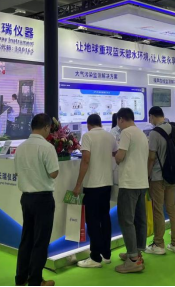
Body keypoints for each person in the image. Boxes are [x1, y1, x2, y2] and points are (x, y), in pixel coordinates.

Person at [14, 114, 59, 287]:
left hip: (26, 198)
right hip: (43, 199)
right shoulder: (47, 147)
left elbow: (17, 171)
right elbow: (53, 173)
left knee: (26, 239)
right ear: (46, 127)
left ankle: (21, 278)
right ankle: (35, 281)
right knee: (41, 241)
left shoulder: (21, 147)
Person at [73, 114, 117, 268]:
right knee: (105, 218)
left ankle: (95, 257)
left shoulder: (88, 136)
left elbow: (85, 159)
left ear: (88, 125)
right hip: (107, 184)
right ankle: (106, 254)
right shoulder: (110, 136)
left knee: (92, 221)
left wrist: (78, 184)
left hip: (92, 185)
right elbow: (115, 154)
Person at [145, 107, 175, 256]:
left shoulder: (154, 133)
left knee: (158, 210)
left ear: (152, 116)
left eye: (150, 117)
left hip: (157, 176)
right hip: (172, 174)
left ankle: (159, 244)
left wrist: (147, 175)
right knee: (172, 208)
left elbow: (151, 157)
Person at [114, 108, 149, 274]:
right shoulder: (141, 133)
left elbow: (120, 156)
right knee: (140, 219)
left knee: (126, 220)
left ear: (121, 119)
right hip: (142, 182)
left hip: (129, 183)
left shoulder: (126, 133)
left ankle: (133, 260)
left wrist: (115, 156)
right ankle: (136, 252)